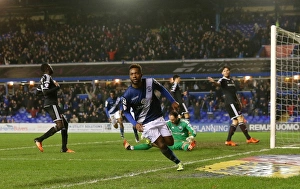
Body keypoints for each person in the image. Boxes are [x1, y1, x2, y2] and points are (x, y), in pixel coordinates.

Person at [121, 63, 183, 171]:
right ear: (129, 76)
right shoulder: (127, 95)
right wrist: (135, 124)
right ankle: (178, 162)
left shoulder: (150, 82)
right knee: (162, 145)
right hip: (145, 123)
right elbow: (125, 112)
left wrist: (172, 101)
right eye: (131, 74)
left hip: (158, 117)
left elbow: (162, 89)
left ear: (141, 74)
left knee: (170, 142)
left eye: (136, 73)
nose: (134, 76)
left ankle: (151, 141)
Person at [207, 66, 260, 146]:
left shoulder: (231, 80)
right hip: (230, 102)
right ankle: (249, 139)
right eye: (224, 71)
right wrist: (213, 82)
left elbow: (234, 93)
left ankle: (228, 141)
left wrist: (239, 102)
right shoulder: (223, 80)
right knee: (240, 118)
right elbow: (218, 84)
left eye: (227, 70)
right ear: (222, 73)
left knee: (235, 121)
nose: (226, 72)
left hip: (234, 102)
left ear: (229, 71)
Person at [34, 63, 74, 153]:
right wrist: (57, 87)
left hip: (50, 103)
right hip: (51, 104)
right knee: (60, 125)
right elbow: (45, 92)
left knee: (65, 124)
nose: (52, 68)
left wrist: (49, 94)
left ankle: (64, 148)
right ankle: (39, 139)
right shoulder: (47, 77)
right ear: (47, 68)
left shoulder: (43, 78)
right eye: (51, 67)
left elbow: (37, 93)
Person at [124, 110, 197, 151]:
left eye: (173, 120)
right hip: (171, 143)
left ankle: (189, 146)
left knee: (182, 145)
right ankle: (131, 147)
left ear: (177, 117)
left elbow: (193, 131)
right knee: (151, 143)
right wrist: (145, 134)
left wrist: (192, 136)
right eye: (171, 120)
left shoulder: (184, 123)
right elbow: (156, 127)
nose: (172, 121)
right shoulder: (168, 123)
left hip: (181, 142)